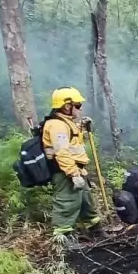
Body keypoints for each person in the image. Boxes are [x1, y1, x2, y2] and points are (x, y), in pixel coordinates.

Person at [42, 87, 100, 242]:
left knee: (86, 201)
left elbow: (73, 142)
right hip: (65, 172)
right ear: (67, 106)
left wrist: (81, 127)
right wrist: (73, 173)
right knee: (66, 203)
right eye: (78, 105)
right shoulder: (57, 125)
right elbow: (62, 152)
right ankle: (62, 241)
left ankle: (95, 231)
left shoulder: (66, 123)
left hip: (77, 169)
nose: (80, 109)